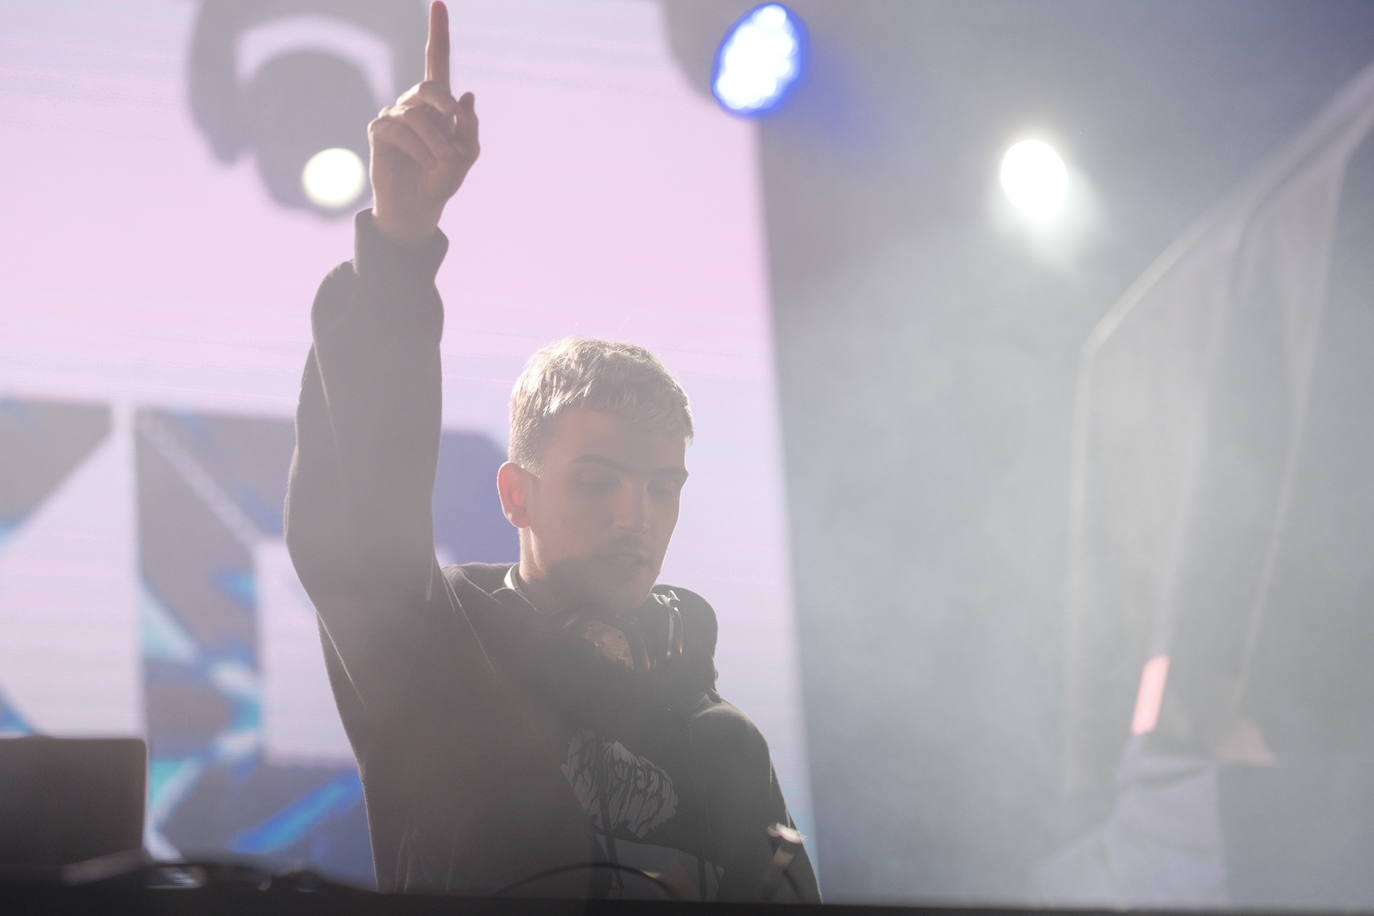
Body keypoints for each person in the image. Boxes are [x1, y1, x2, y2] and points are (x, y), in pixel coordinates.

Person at [283, 1, 819, 901]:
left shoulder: (726, 742)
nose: (632, 515)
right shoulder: (435, 662)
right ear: (515, 493)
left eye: (661, 487)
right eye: (597, 481)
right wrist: (400, 252)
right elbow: (355, 521)